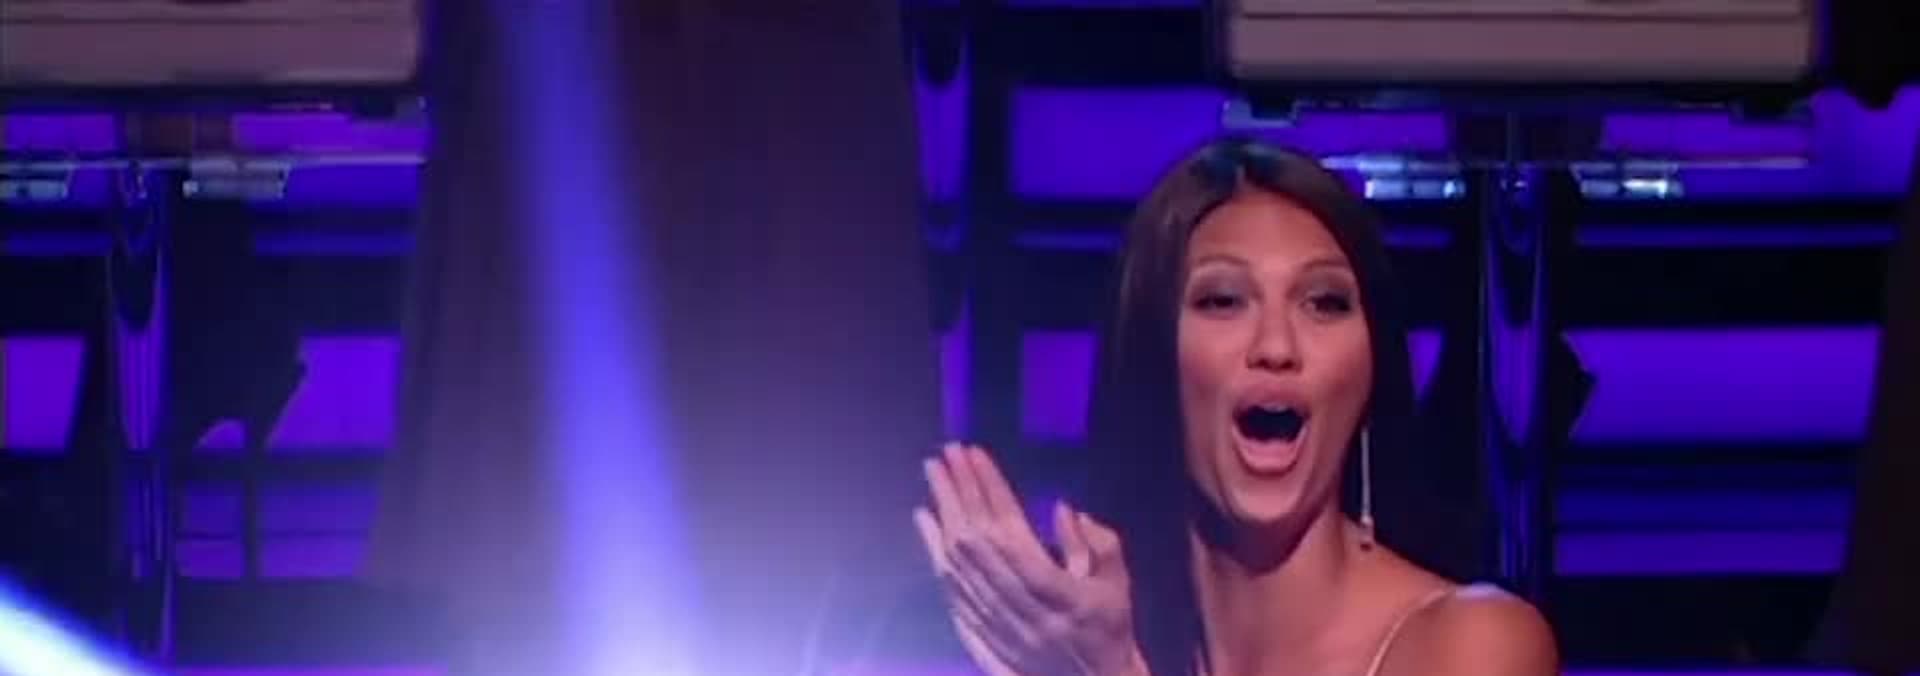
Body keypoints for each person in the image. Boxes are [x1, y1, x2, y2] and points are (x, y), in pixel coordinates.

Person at [910, 138, 1558, 676]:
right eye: (1222, 301)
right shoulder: (1100, 637)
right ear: (1154, 357)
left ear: (1370, 369)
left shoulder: (1475, 645)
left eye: (1324, 303)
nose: (1276, 347)